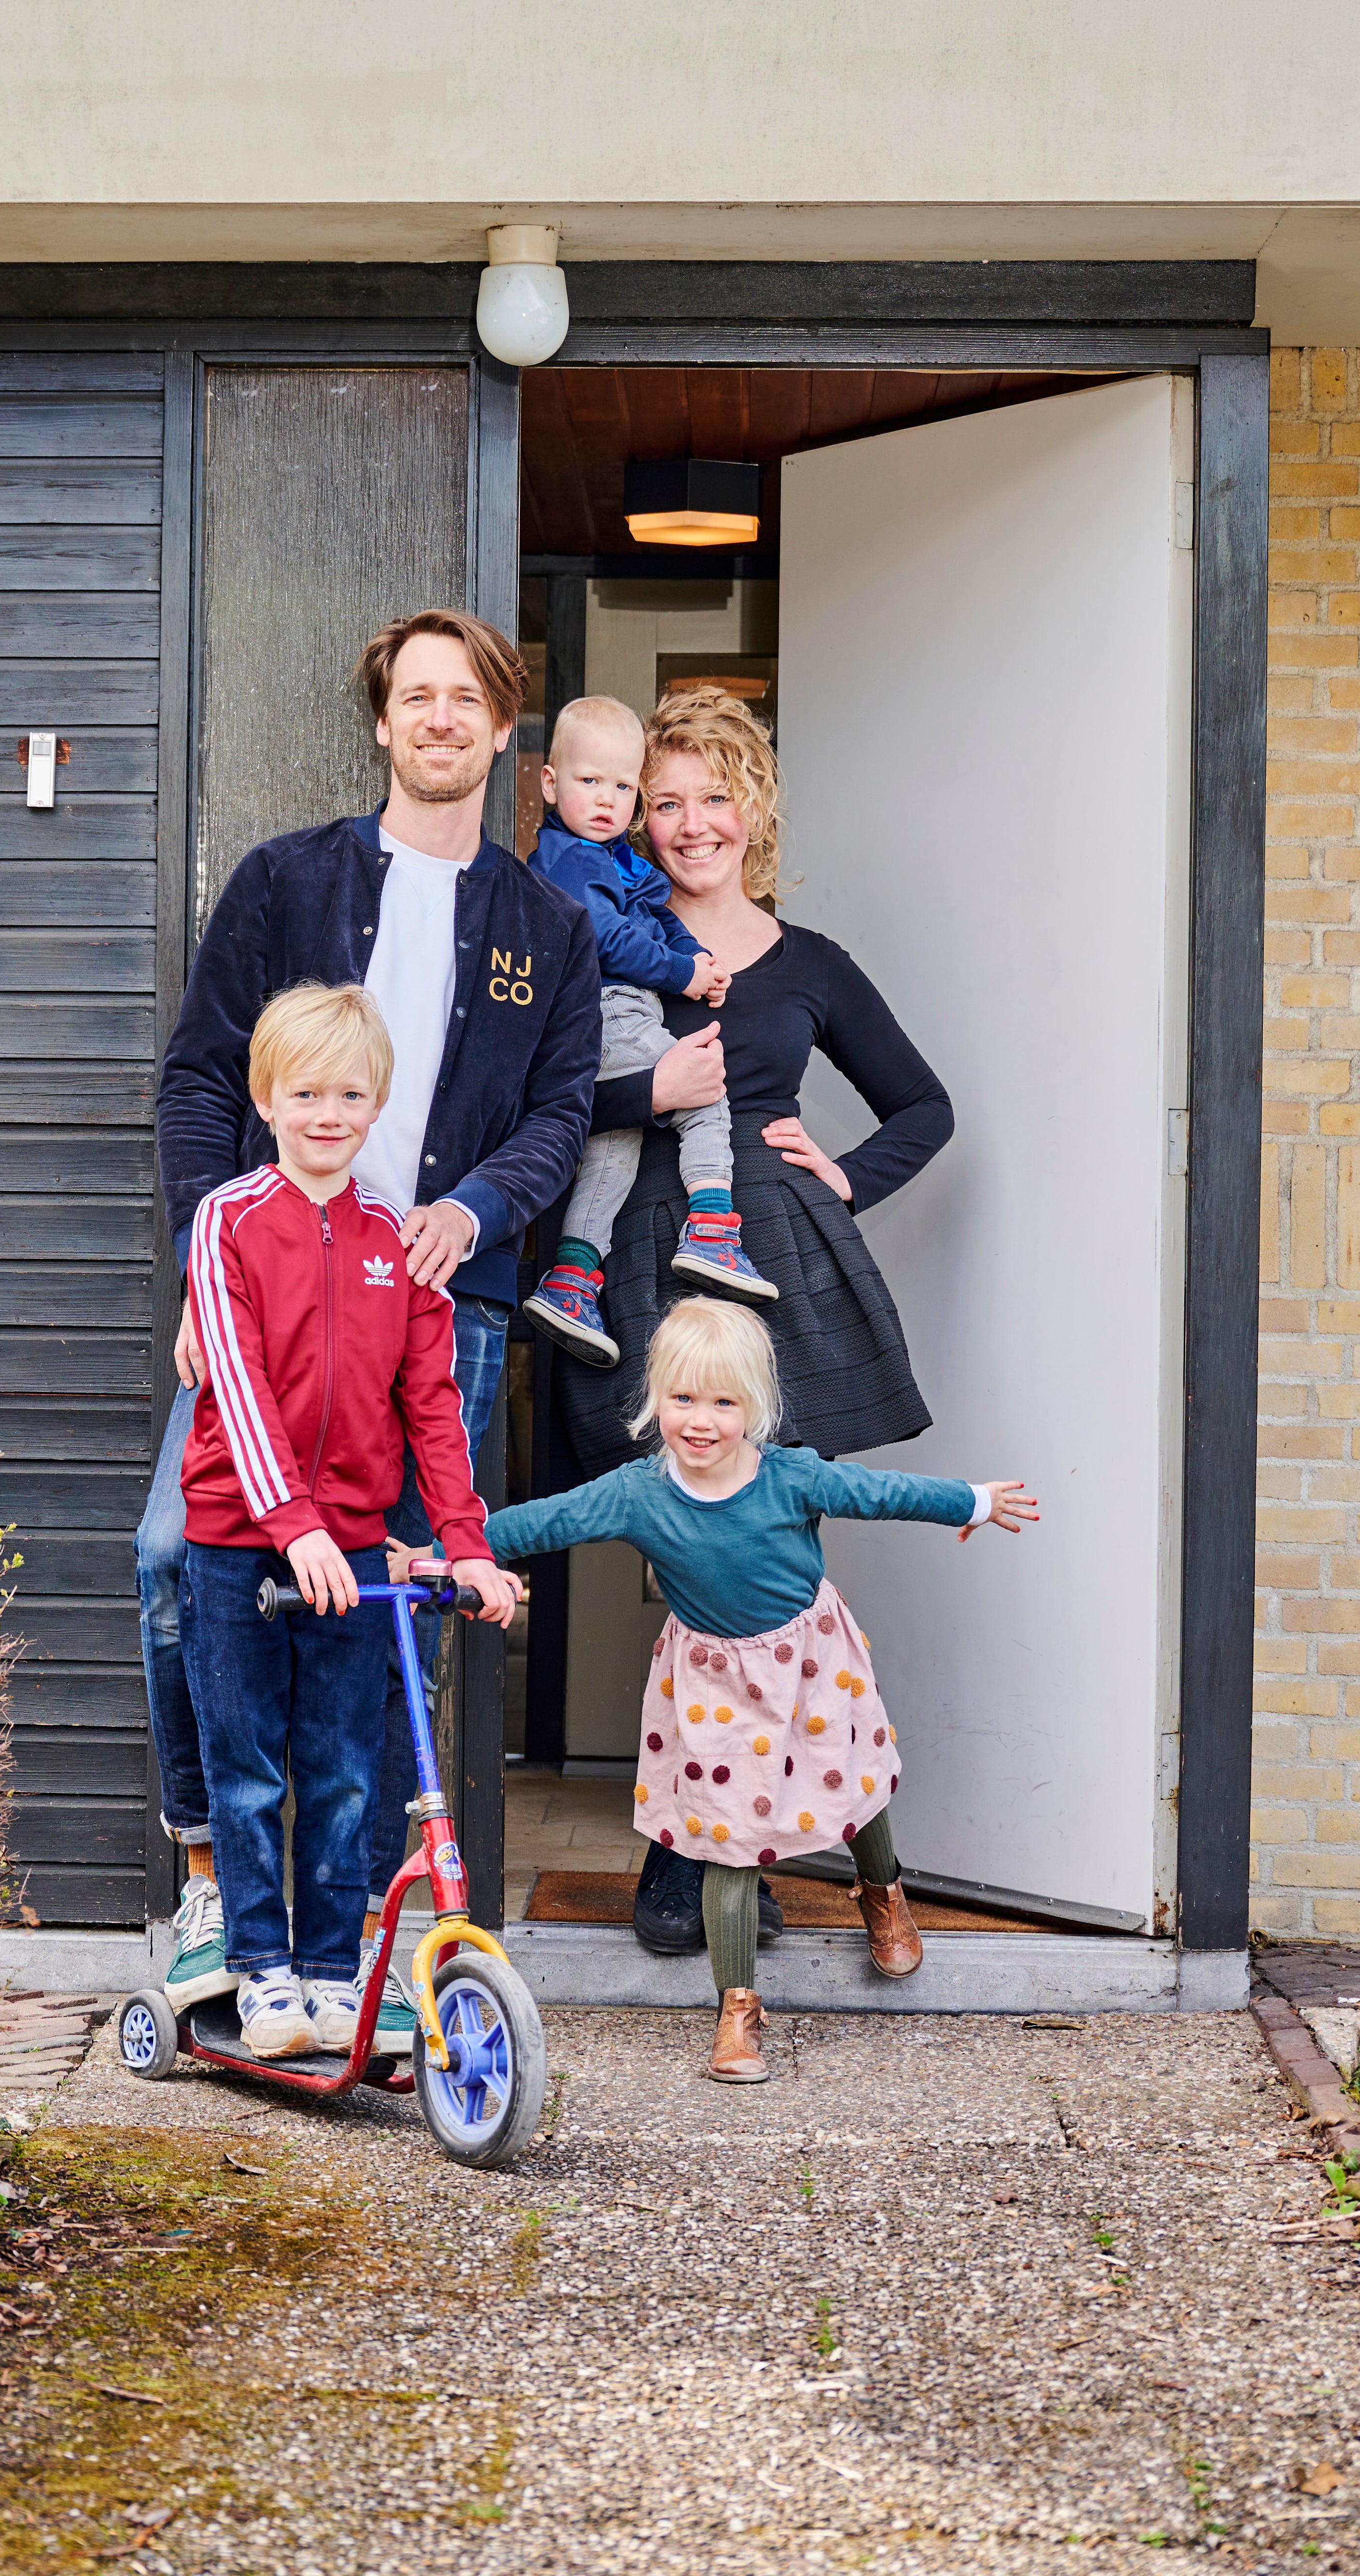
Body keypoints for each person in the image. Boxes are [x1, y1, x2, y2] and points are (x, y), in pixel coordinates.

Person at [138, 608, 601, 2023]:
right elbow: (199, 1080)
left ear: (504, 729)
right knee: (176, 1559)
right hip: (264, 1303)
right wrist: (204, 1264)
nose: (441, 718)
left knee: (397, 1610)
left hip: (436, 1308)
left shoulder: (547, 927)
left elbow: (562, 1112)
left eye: (468, 699)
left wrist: (478, 1208)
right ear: (385, 721)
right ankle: (212, 1881)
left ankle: (356, 1939)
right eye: (418, 697)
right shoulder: (288, 881)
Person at [546, 686, 963, 1957]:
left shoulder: (811, 963)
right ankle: (706, 1848)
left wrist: (841, 1174)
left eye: (714, 797)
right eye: (665, 801)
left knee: (771, 1567)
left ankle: (750, 1852)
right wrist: (649, 1088)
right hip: (640, 1261)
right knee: (689, 1555)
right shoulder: (597, 930)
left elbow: (924, 1108)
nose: (690, 824)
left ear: (754, 809)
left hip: (769, 1266)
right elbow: (539, 1096)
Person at [483, 1299, 1033, 2083]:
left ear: (755, 1408)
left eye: (724, 1402)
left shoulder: (789, 1477)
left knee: (853, 1786)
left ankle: (882, 1891)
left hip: (811, 1664)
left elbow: (880, 1492)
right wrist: (445, 1553)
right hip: (715, 1689)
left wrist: (972, 1502)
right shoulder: (639, 1493)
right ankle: (737, 2009)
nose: (701, 1421)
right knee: (730, 1839)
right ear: (656, 1399)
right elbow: (540, 1523)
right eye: (683, 1398)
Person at [176, 984, 522, 2055]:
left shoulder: (394, 1238)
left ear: (378, 1105)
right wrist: (294, 1524)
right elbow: (234, 1384)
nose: (329, 1115)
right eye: (307, 1093)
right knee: (249, 1771)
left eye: (351, 1096)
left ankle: (332, 1973)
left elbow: (433, 1407)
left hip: (357, 1549)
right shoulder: (229, 1220)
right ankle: (261, 1971)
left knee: (344, 1768)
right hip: (238, 1544)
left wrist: (466, 1546)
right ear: (267, 1099)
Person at [519, 692, 772, 1370]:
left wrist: (695, 955)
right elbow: (605, 938)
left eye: (623, 788)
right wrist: (683, 973)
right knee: (704, 1094)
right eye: (590, 782)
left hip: (609, 1018)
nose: (607, 800)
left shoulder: (612, 860)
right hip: (606, 1010)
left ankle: (572, 1277)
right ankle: (713, 1226)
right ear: (551, 784)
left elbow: (655, 918)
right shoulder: (572, 863)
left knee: (611, 1154)